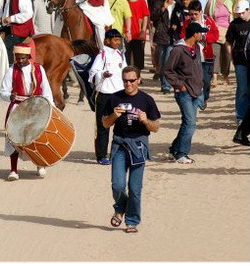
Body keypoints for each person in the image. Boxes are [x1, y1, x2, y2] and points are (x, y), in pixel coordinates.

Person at [102, 66, 161, 234]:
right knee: (118, 185)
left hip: (139, 147)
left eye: (132, 80)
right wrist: (114, 115)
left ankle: (132, 221)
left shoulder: (147, 100)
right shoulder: (115, 98)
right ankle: (120, 209)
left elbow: (156, 127)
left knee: (135, 189)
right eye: (125, 80)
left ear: (139, 80)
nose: (128, 84)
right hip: (120, 146)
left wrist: (145, 121)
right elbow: (105, 123)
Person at [0, 45, 53, 180]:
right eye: (18, 58)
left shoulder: (39, 69)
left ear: (29, 57)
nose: (20, 61)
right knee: (14, 138)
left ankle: (40, 164)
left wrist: (50, 107)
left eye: (23, 58)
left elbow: (46, 89)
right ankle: (13, 170)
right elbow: (2, 92)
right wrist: (9, 96)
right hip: (18, 107)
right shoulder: (11, 70)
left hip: (37, 107)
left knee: (38, 136)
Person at [164, 22, 209, 164]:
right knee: (190, 123)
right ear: (195, 34)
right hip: (184, 92)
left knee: (187, 122)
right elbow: (168, 71)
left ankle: (175, 149)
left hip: (196, 90)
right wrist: (180, 85)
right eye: (200, 32)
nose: (202, 34)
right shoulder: (178, 50)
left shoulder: (196, 47)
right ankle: (181, 153)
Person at [88, 29, 127, 165]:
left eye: (119, 40)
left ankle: (118, 152)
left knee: (121, 123)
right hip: (104, 94)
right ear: (107, 41)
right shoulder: (102, 55)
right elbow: (92, 73)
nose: (117, 42)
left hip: (118, 94)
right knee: (103, 125)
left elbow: (125, 71)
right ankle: (101, 155)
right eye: (115, 40)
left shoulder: (120, 55)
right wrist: (103, 74)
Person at [180, 1, 219, 110]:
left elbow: (215, 35)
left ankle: (204, 97)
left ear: (200, 12)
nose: (193, 16)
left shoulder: (209, 21)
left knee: (206, 80)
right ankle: (196, 100)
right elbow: (182, 36)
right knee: (194, 80)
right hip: (192, 56)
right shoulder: (187, 23)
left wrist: (205, 38)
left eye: (195, 14)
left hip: (207, 55)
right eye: (191, 14)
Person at [0, 0, 34, 64]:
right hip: (9, 27)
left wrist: (12, 19)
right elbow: (3, 11)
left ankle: (10, 67)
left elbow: (28, 14)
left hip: (20, 29)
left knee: (6, 45)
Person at [226, 0, 250, 128]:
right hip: (240, 60)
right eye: (238, 13)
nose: (240, 15)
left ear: (249, 10)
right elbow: (229, 42)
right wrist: (232, 59)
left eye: (243, 13)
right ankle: (240, 116)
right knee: (242, 89)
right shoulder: (234, 24)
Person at [125, 0, 150, 70]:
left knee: (138, 56)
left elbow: (145, 17)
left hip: (137, 32)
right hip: (127, 32)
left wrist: (143, 31)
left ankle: (138, 76)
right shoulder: (125, 1)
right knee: (127, 56)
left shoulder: (142, 2)